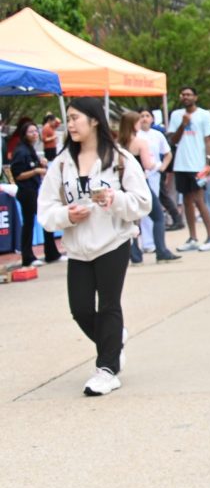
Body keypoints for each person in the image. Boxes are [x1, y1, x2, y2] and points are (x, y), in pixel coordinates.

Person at [38, 97, 153, 396]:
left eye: (76, 117)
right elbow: (46, 209)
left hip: (113, 242)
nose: (70, 124)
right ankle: (114, 340)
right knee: (80, 310)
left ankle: (107, 369)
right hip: (78, 248)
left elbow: (143, 202)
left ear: (94, 121)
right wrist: (67, 215)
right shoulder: (61, 164)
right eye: (69, 118)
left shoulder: (120, 158)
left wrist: (113, 199)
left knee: (109, 304)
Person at [117, 112, 178, 265]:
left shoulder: (117, 144)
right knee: (157, 216)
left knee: (130, 221)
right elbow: (148, 165)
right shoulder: (140, 142)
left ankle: (135, 254)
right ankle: (161, 251)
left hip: (122, 185)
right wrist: (159, 166)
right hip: (140, 184)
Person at [167, 87, 210, 252]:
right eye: (183, 94)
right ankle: (192, 237)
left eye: (189, 94)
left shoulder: (204, 115)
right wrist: (183, 125)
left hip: (197, 165)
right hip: (181, 164)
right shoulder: (176, 115)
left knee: (199, 199)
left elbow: (208, 140)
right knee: (187, 201)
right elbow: (173, 140)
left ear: (195, 97)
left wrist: (208, 162)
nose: (186, 97)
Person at [9, 119, 63, 267]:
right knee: (39, 220)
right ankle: (33, 256)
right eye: (30, 132)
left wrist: (41, 163)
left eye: (35, 131)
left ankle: (47, 253)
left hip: (33, 190)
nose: (34, 134)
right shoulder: (21, 151)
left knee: (33, 222)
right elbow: (18, 174)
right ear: (24, 134)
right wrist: (36, 171)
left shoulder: (30, 149)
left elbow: (33, 165)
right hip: (27, 192)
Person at [135, 110, 181, 261]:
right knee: (145, 210)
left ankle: (154, 242)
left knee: (154, 209)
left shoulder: (157, 135)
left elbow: (167, 153)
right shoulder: (136, 136)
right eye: (141, 116)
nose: (144, 119)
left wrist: (162, 167)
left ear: (152, 119)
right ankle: (147, 242)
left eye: (147, 116)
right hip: (141, 177)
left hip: (155, 174)